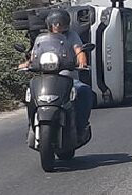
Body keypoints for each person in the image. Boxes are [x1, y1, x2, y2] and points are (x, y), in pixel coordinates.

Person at [19, 9, 93, 144]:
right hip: (45, 79)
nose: (58, 26)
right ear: (49, 24)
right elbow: (34, 55)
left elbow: (79, 50)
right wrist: (27, 63)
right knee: (29, 95)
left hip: (68, 77)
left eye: (61, 23)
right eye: (55, 23)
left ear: (67, 24)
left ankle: (81, 127)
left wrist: (82, 61)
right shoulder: (42, 39)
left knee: (85, 91)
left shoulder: (72, 35)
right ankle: (31, 125)